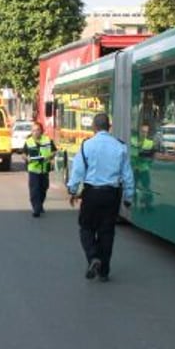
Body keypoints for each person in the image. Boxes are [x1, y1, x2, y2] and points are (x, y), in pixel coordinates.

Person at [67, 112, 134, 283]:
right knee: (107, 232)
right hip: (112, 195)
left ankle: (93, 256)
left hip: (91, 194)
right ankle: (104, 271)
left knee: (86, 228)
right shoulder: (120, 146)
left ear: (94, 127)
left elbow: (78, 170)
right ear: (109, 127)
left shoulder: (86, 145)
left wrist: (73, 189)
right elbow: (127, 174)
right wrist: (128, 196)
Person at [23, 121, 56, 217]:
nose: (35, 132)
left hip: (44, 169)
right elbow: (23, 154)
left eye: (37, 130)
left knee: (44, 188)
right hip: (33, 169)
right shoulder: (28, 142)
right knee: (35, 190)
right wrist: (27, 158)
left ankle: (40, 204)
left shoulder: (47, 140)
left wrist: (50, 156)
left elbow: (54, 151)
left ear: (41, 130)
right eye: (33, 130)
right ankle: (36, 209)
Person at [131, 122, 155, 210]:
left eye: (146, 132)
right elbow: (131, 154)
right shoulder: (132, 140)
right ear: (139, 131)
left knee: (146, 187)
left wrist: (147, 163)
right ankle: (133, 204)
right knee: (132, 187)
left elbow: (151, 157)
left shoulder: (150, 143)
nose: (144, 133)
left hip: (144, 169)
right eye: (142, 131)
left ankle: (146, 204)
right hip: (134, 169)